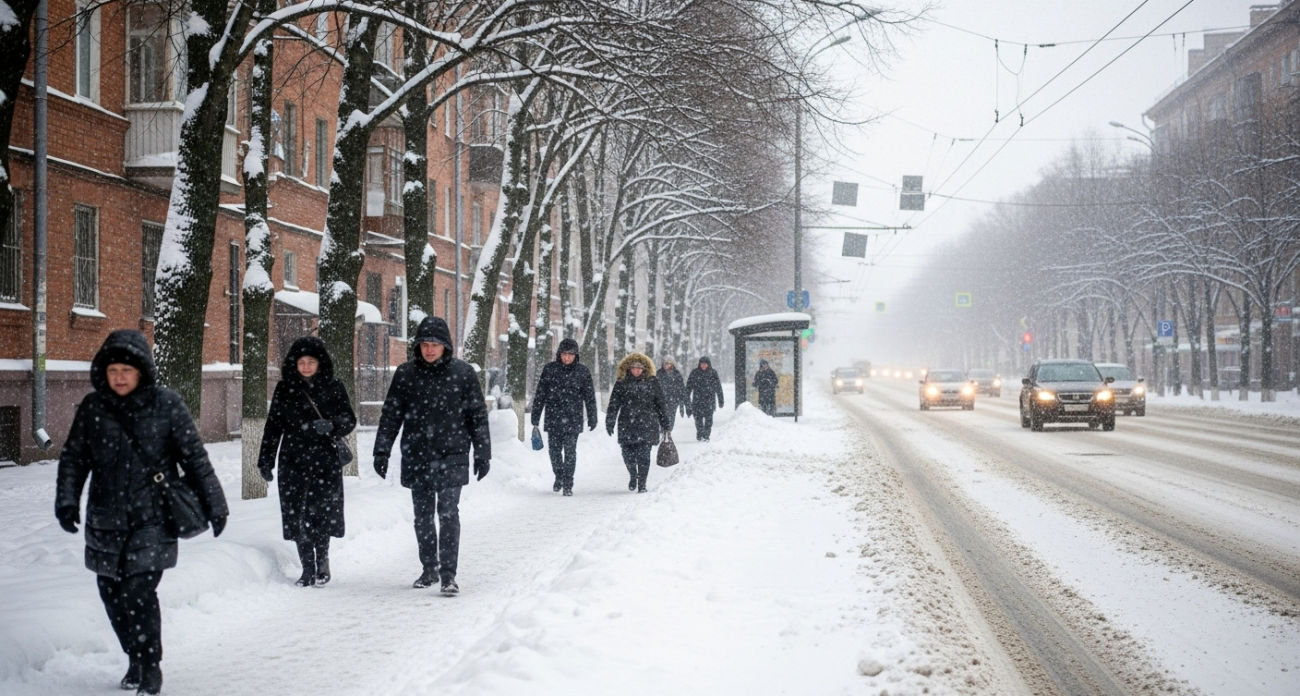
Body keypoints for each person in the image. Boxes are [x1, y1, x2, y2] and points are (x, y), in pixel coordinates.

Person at [55, 330, 228, 696]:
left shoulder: (166, 404)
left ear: (141, 372)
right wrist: (67, 500)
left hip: (154, 517)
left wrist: (216, 506)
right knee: (110, 592)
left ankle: (150, 667)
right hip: (105, 517)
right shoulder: (92, 407)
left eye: (126, 370)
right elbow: (74, 457)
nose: (119, 377)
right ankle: (133, 655)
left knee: (138, 591)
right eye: (113, 369)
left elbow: (194, 458)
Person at [373, 316, 491, 595]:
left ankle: (449, 574)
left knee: (449, 513)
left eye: (435, 344)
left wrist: (483, 453)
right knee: (422, 516)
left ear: (445, 346)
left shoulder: (463, 374)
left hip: (453, 453)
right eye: (425, 344)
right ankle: (429, 569)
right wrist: (382, 450)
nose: (429, 349)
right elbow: (391, 415)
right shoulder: (405, 374)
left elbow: (477, 416)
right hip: (418, 454)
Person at [258, 336, 357, 587]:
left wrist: (332, 425)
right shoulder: (284, 388)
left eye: (310, 361)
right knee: (297, 515)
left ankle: (323, 562)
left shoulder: (334, 386)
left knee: (321, 514)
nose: (305, 367)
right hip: (293, 460)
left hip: (324, 460)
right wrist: (265, 460)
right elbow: (273, 427)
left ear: (320, 363)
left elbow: (349, 419)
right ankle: (307, 568)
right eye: (301, 362)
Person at [530, 337, 598, 496]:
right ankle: (559, 475)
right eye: (564, 354)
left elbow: (589, 397)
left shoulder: (583, 372)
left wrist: (593, 416)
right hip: (553, 417)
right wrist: (535, 415)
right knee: (554, 452)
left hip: (573, 418)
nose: (567, 357)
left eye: (571, 354)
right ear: (559, 354)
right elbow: (541, 393)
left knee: (570, 451)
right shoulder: (549, 369)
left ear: (576, 355)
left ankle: (568, 481)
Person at [606, 353, 671, 493]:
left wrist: (665, 423)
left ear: (645, 369)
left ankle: (642, 483)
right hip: (627, 424)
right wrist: (610, 420)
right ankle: (633, 475)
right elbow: (614, 404)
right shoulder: (621, 382)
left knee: (644, 455)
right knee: (627, 454)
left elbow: (661, 404)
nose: (636, 370)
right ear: (628, 368)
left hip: (647, 423)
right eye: (633, 368)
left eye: (639, 368)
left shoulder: (652, 382)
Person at [685, 356, 725, 441]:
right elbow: (688, 387)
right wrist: (686, 400)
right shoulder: (694, 373)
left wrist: (721, 400)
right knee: (698, 420)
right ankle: (700, 434)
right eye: (701, 364)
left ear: (708, 364)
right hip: (697, 401)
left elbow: (718, 387)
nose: (703, 366)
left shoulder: (713, 373)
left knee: (709, 420)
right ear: (699, 364)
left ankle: (706, 435)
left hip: (709, 401)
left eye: (705, 364)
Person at [658, 356, 687, 428]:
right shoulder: (659, 373)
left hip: (673, 401)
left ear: (673, 364)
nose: (668, 365)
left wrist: (682, 402)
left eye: (669, 364)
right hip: (661, 401)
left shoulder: (677, 374)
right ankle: (662, 433)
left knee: (671, 420)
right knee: (660, 419)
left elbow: (681, 388)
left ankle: (668, 432)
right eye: (666, 363)